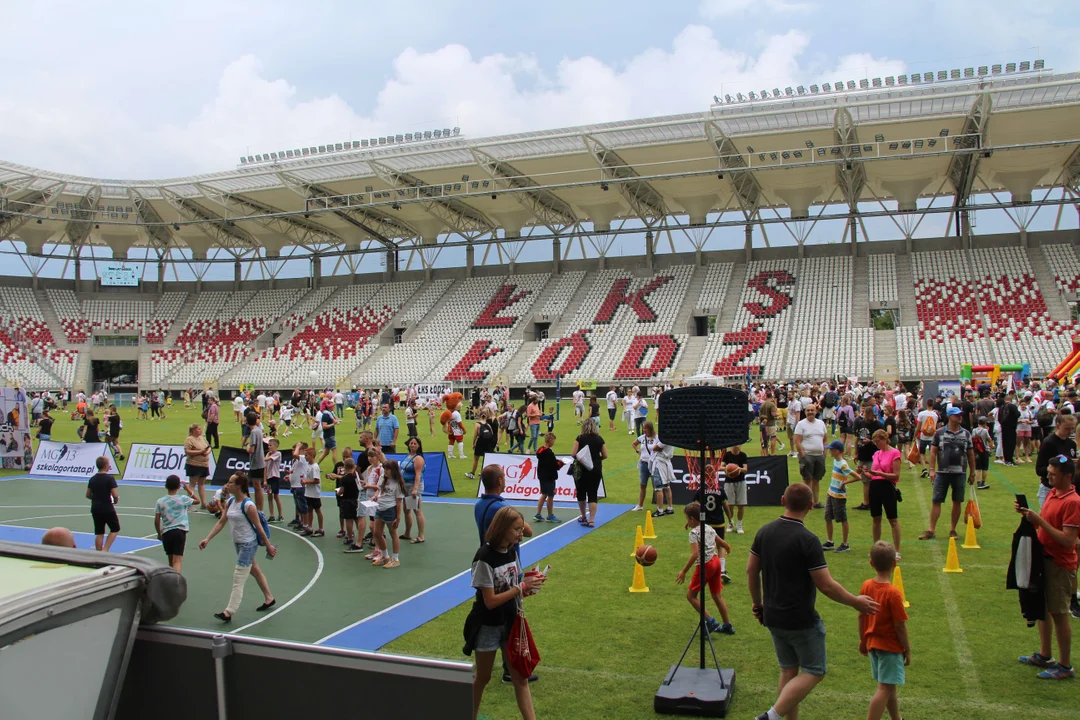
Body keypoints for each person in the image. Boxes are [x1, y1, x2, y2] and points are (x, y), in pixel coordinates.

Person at [747, 483, 879, 720]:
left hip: (773, 616)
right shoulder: (808, 540)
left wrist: (758, 605)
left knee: (788, 670)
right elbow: (826, 585)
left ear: (782, 500)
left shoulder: (764, 532)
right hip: (801, 620)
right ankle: (771, 716)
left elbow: (750, 571)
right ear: (810, 506)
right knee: (815, 671)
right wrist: (855, 602)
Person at [465, 506, 543, 720]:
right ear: (502, 529)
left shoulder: (511, 551)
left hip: (511, 623)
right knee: (483, 677)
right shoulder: (484, 558)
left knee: (521, 679)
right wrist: (520, 589)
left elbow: (513, 587)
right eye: (517, 529)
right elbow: (489, 602)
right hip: (488, 625)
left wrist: (529, 587)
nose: (521, 533)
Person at [1016, 454, 1079, 679]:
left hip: (1059, 564)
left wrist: (1039, 521)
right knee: (1043, 609)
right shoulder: (1053, 492)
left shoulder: (1073, 502)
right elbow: (1047, 523)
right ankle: (1045, 654)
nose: (1048, 476)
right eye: (1048, 472)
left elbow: (1069, 540)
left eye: (1053, 474)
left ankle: (1065, 665)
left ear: (1067, 476)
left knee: (1059, 613)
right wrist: (1031, 517)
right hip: (1044, 559)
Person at [198, 472, 277, 622]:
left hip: (248, 543)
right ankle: (269, 597)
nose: (228, 485)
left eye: (231, 483)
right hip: (238, 542)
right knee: (255, 570)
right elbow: (222, 522)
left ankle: (229, 611)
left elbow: (259, 527)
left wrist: (268, 546)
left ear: (239, 485)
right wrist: (207, 538)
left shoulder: (248, 505)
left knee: (238, 577)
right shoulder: (230, 502)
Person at [859, 541, 911, 720]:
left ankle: (897, 718)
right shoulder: (893, 593)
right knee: (884, 688)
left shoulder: (866, 585)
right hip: (889, 647)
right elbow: (900, 625)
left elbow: (861, 616)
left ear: (871, 563)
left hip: (873, 644)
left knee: (889, 686)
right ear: (894, 563)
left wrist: (862, 640)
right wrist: (907, 649)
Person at [677, 501, 735, 635]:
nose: (687, 522)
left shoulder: (693, 533)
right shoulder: (708, 527)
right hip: (715, 562)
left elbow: (695, 554)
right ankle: (727, 625)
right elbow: (719, 541)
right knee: (717, 595)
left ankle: (710, 621)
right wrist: (727, 547)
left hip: (705, 565)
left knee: (691, 596)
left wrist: (684, 571)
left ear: (692, 519)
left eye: (687, 519)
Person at [919, 407, 975, 541]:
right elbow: (933, 452)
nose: (960, 417)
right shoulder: (939, 433)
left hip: (960, 472)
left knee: (957, 501)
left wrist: (972, 472)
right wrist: (931, 469)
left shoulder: (966, 434)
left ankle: (953, 529)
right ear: (950, 417)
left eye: (961, 415)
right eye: (957, 415)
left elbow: (970, 454)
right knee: (936, 500)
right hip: (942, 472)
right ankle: (931, 529)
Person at [867, 429, 903, 559]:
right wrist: (865, 472)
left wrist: (880, 474)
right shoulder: (876, 453)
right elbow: (873, 473)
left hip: (887, 487)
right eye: (875, 442)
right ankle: (876, 548)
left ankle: (897, 550)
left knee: (892, 519)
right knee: (876, 518)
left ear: (884, 439)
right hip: (875, 486)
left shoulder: (895, 453)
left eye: (878, 441)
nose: (876, 444)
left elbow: (896, 475)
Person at [822, 440, 860, 552]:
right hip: (831, 492)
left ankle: (845, 543)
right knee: (828, 517)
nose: (829, 451)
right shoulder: (835, 461)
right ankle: (830, 542)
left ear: (837, 451)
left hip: (839, 495)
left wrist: (844, 483)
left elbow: (858, 477)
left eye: (831, 449)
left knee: (842, 519)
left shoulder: (843, 465)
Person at [570, 417, 607, 528]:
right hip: (595, 469)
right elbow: (605, 455)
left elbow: (573, 453)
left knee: (581, 493)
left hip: (581, 469)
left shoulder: (580, 438)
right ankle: (591, 520)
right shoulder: (599, 439)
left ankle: (583, 516)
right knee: (592, 494)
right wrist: (596, 459)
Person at [155, 474, 195, 572]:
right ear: (178, 486)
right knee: (177, 561)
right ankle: (177, 582)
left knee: (170, 560)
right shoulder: (183, 499)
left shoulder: (160, 501)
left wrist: (159, 533)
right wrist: (188, 489)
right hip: (179, 531)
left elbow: (156, 520)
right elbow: (197, 501)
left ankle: (171, 580)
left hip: (166, 532)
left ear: (166, 486)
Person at [1035, 413, 1077, 506]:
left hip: (1066, 489)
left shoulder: (1071, 444)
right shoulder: (1049, 443)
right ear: (1058, 425)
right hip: (1049, 489)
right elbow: (1039, 469)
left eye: (1072, 428)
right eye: (1067, 428)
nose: (1070, 432)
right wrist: (1056, 468)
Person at [371, 459, 407, 568]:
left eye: (388, 469)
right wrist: (375, 496)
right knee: (377, 533)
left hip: (390, 509)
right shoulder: (382, 477)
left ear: (393, 470)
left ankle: (395, 559)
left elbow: (399, 501)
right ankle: (385, 556)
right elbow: (379, 490)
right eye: (385, 468)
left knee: (393, 533)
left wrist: (398, 517)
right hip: (380, 508)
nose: (385, 471)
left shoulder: (398, 483)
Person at [794, 404, 828, 509]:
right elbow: (797, 441)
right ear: (805, 412)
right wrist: (803, 455)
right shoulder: (801, 424)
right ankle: (807, 502)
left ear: (816, 411)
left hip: (819, 455)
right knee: (807, 479)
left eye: (812, 410)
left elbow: (825, 440)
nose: (810, 412)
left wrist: (825, 453)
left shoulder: (821, 423)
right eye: (808, 410)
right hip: (807, 455)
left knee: (816, 479)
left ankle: (816, 502)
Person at [852, 402, 885, 512]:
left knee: (872, 480)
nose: (867, 417)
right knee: (865, 480)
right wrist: (856, 453)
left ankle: (871, 502)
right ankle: (867, 502)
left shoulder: (878, 425)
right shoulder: (861, 423)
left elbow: (884, 441)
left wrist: (870, 441)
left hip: (873, 456)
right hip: (863, 455)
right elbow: (857, 439)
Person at [86, 456, 119, 552]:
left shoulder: (92, 479)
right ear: (105, 466)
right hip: (107, 507)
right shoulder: (109, 479)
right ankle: (105, 550)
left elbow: (88, 494)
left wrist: (96, 498)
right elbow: (115, 495)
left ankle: (98, 552)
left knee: (99, 532)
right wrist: (115, 501)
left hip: (95, 507)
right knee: (115, 528)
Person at [400, 436, 427, 544]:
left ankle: (421, 536)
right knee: (406, 510)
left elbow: (418, 474)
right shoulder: (408, 456)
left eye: (415, 443)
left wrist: (415, 489)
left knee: (417, 510)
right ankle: (407, 533)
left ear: (419, 446)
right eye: (411, 443)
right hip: (406, 486)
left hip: (413, 486)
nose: (412, 445)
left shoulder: (418, 458)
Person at [533, 432, 562, 523]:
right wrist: (561, 464)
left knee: (544, 494)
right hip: (549, 477)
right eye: (553, 440)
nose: (554, 442)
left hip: (542, 476)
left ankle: (538, 514)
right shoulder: (549, 453)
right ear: (550, 440)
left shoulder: (541, 450)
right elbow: (554, 466)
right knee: (550, 495)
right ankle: (550, 515)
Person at [722, 444, 750, 534]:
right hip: (729, 482)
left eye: (737, 445)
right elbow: (720, 467)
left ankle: (739, 525)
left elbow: (745, 469)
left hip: (741, 481)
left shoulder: (743, 455)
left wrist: (737, 469)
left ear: (740, 445)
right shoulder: (727, 455)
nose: (735, 446)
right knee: (730, 505)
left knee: (741, 505)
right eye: (734, 445)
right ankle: (730, 523)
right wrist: (727, 468)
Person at [184, 424, 211, 509]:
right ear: (193, 431)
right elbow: (187, 451)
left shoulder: (202, 438)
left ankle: (203, 503)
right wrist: (200, 452)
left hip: (204, 464)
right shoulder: (189, 439)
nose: (200, 430)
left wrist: (207, 452)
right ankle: (189, 504)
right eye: (198, 429)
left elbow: (208, 447)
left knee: (201, 484)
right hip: (194, 464)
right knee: (192, 484)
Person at [466, 408, 497, 481]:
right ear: (486, 416)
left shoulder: (477, 424)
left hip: (480, 442)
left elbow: (475, 435)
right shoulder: (488, 424)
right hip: (488, 442)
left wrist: (473, 443)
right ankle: (486, 473)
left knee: (476, 458)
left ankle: (472, 473)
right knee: (486, 458)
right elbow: (492, 434)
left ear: (480, 416)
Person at [245, 414, 267, 512]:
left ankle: (260, 509)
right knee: (256, 485)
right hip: (259, 461)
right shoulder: (258, 430)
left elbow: (251, 450)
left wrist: (247, 445)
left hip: (256, 462)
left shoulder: (254, 432)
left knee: (257, 486)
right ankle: (259, 508)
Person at [301, 446, 324, 537]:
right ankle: (310, 527)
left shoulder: (315, 467)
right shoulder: (309, 466)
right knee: (309, 509)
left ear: (311, 455)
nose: (305, 457)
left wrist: (306, 482)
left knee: (317, 510)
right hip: (308, 492)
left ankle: (321, 529)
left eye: (306, 455)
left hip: (314, 493)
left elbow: (316, 480)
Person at [915, 398, 939, 478]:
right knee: (932, 453)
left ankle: (924, 467)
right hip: (932, 436)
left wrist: (915, 434)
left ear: (926, 404)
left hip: (923, 436)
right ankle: (931, 469)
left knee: (922, 452)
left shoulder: (922, 414)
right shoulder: (935, 415)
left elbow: (918, 427)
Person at [264, 438, 284, 523]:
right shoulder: (268, 454)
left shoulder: (277, 454)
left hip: (274, 477)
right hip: (269, 478)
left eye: (270, 445)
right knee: (269, 496)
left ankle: (280, 515)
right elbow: (265, 468)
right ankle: (271, 515)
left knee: (275, 496)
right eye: (268, 445)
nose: (269, 447)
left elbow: (266, 460)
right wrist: (264, 480)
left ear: (275, 446)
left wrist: (265, 456)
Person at [972, 416, 993, 490]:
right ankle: (983, 482)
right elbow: (989, 439)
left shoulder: (974, 430)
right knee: (985, 468)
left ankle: (978, 483)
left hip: (976, 451)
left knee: (978, 468)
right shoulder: (985, 431)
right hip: (984, 450)